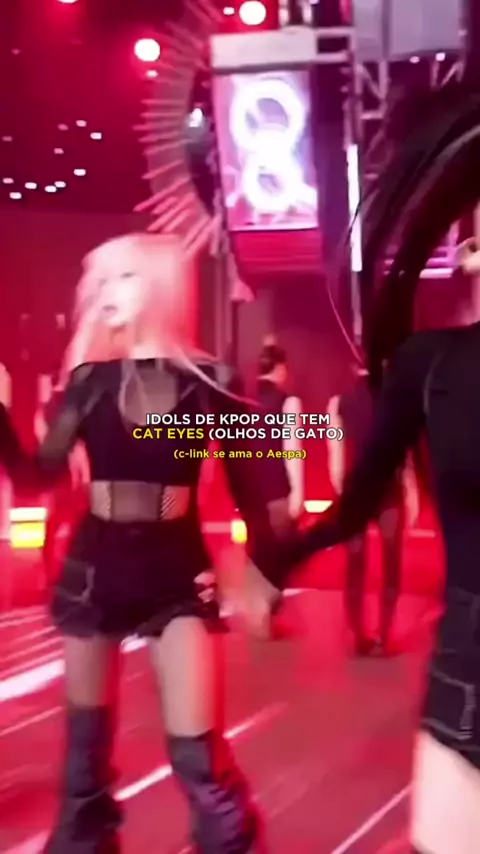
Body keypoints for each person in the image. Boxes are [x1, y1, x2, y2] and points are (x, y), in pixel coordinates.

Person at [0, 234, 291, 854]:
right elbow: (35, 477)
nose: (108, 292)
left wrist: (266, 572)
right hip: (93, 567)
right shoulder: (89, 382)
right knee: (82, 768)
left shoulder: (210, 383)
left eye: (125, 277)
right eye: (102, 280)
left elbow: (252, 484)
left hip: (176, 571)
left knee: (199, 758)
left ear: (161, 286)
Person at [267, 82, 480, 854]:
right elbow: (350, 486)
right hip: (469, 682)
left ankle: (374, 628)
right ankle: (371, 630)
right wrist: (277, 557)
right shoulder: (426, 366)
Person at [327, 364, 418, 656]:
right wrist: (412, 492)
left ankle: (359, 635)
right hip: (388, 491)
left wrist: (342, 490)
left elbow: (335, 453)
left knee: (355, 565)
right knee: (391, 562)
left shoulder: (340, 402)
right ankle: (383, 635)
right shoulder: (394, 399)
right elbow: (404, 453)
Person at [35, 374, 90, 581]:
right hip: (68, 475)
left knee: (59, 523)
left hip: (62, 473)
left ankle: (52, 570)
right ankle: (61, 570)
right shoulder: (64, 403)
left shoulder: (51, 406)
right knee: (71, 522)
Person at [256, 339, 305, 520]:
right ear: (280, 368)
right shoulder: (287, 402)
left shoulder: (242, 401)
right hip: (279, 495)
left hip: (251, 497)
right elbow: (292, 452)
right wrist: (297, 499)